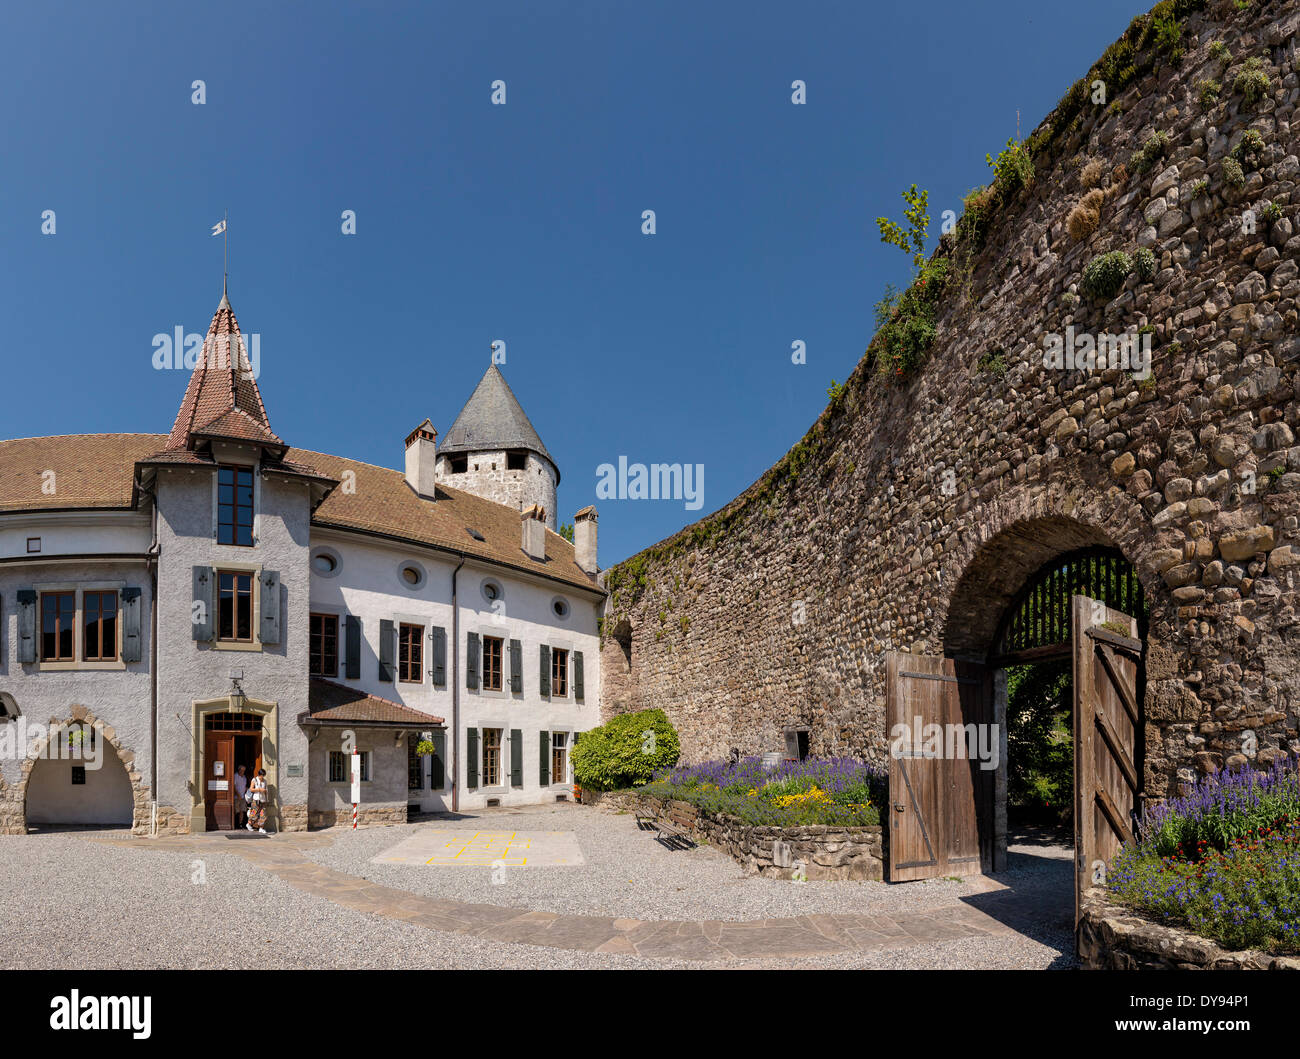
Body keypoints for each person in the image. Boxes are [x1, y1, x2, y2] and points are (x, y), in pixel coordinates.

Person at [247, 768, 268, 834]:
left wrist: (266, 798)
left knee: (263, 814)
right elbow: (251, 789)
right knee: (254, 814)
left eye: (264, 775)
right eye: (262, 775)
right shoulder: (254, 779)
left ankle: (261, 828)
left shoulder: (265, 781)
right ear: (259, 775)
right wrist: (259, 789)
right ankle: (249, 824)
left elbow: (266, 790)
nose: (262, 777)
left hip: (263, 800)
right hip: (256, 800)